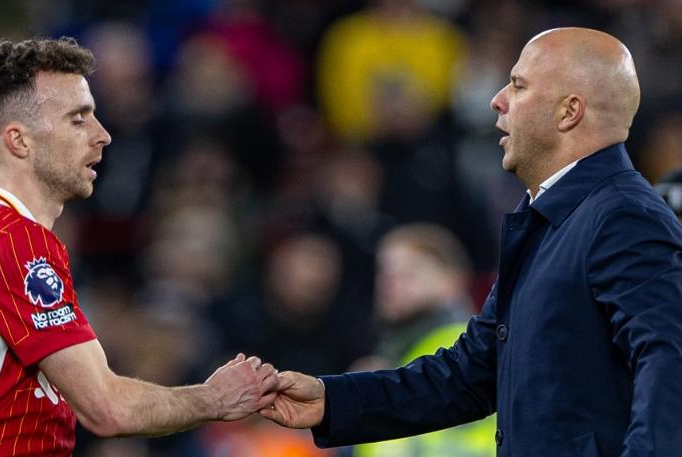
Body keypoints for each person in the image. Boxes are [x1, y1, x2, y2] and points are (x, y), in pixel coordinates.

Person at [260, 27, 682, 456]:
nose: (498, 99)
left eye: (518, 85)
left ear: (569, 111)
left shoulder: (624, 217)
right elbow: (469, 375)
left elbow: (671, 359)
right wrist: (332, 401)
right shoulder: (547, 220)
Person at [0, 37, 278, 457]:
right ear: (19, 141)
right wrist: (216, 398)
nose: (102, 135)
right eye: (78, 119)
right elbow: (108, 409)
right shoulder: (11, 242)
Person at [352, 223, 495, 457]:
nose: (390, 282)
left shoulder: (463, 348)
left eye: (410, 272)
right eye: (385, 272)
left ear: (453, 280)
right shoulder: (389, 356)